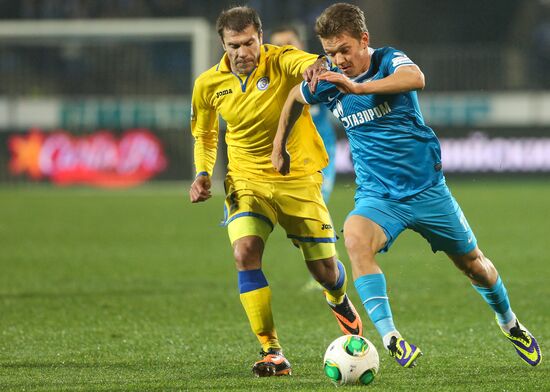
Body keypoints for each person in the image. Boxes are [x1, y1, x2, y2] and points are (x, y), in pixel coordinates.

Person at [272, 2, 541, 369]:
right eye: (331, 52)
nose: (339, 59)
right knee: (353, 237)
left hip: (428, 191)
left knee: (475, 265)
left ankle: (510, 323)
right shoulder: (328, 81)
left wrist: (356, 87)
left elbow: (416, 79)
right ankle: (390, 337)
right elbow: (292, 98)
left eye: (345, 50)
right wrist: (279, 148)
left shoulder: (388, 61)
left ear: (364, 39)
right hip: (379, 196)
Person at [189, 6, 363, 377]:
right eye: (234, 45)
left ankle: (337, 297)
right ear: (223, 44)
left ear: (260, 38)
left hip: (297, 177)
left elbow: (306, 62)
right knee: (245, 251)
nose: (243, 52)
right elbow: (204, 133)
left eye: (249, 42)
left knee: (324, 270)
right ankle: (272, 351)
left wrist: (317, 65)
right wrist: (203, 173)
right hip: (246, 179)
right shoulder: (208, 84)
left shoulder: (279, 60)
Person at [270, 26, 338, 203]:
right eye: (278, 45)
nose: (284, 50)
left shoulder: (318, 71)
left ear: (301, 44)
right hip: (281, 150)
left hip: (318, 149)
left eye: (289, 44)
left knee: (314, 206)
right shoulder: (265, 81)